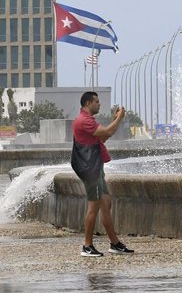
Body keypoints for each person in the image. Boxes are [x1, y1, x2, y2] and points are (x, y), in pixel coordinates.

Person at [71, 91, 134, 257]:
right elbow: (106, 132)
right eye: (96, 102)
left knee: (106, 202)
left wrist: (114, 121)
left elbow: (102, 138)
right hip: (90, 169)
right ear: (87, 104)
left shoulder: (87, 120)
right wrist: (119, 118)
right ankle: (87, 246)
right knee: (94, 206)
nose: (99, 104)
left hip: (95, 168)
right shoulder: (84, 121)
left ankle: (115, 243)